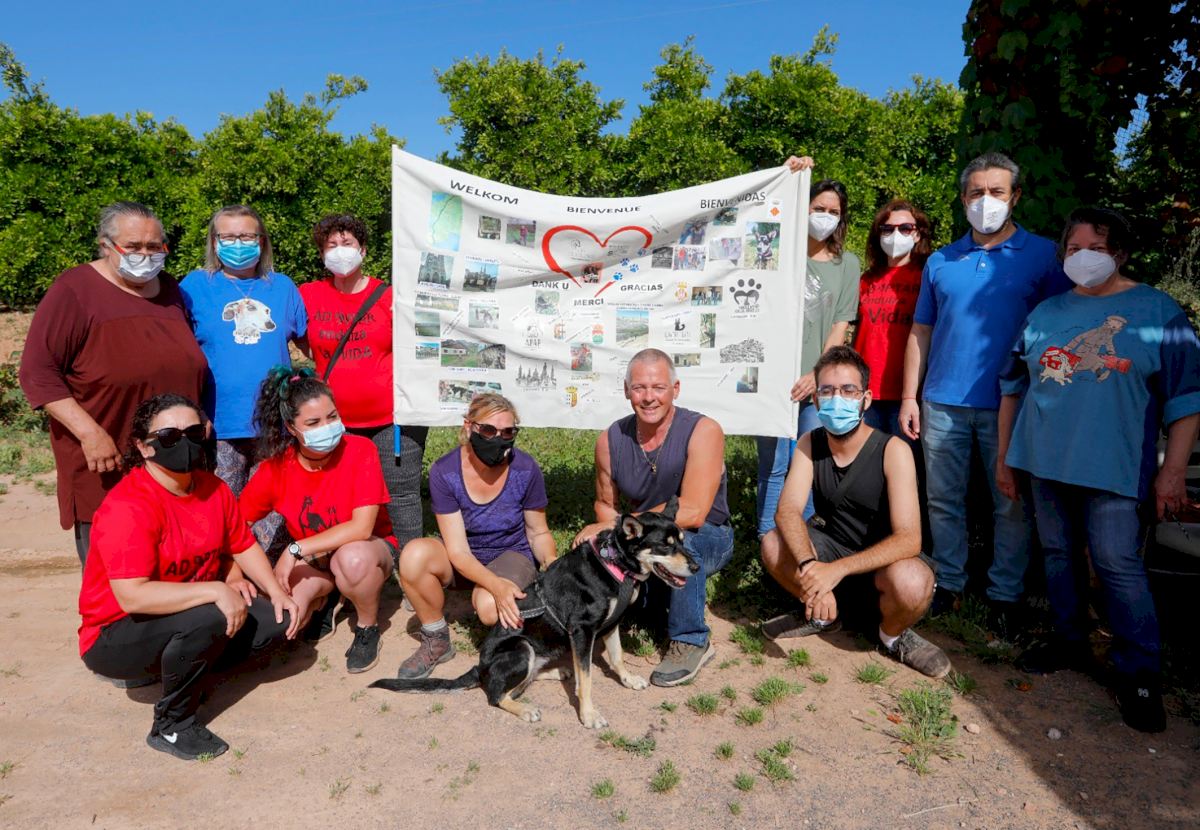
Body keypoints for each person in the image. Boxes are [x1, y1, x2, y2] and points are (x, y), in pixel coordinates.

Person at [997, 207, 1200, 732]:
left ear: (1121, 253)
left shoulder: (1159, 312)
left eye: (1097, 248)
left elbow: (1187, 399)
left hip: (1115, 467)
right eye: (1073, 248)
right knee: (1057, 554)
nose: (1083, 257)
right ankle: (1069, 641)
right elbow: (1013, 387)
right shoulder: (1045, 312)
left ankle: (1140, 672)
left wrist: (1173, 471)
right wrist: (1005, 458)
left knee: (1115, 562)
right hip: (1043, 461)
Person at [898, 151, 1071, 631]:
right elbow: (921, 331)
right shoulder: (941, 260)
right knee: (942, 501)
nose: (986, 201)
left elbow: (1062, 328)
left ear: (1015, 196)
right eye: (976, 192)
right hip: (941, 401)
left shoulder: (1044, 257)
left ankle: (1005, 596)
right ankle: (949, 584)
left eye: (997, 191)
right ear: (963, 199)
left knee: (1010, 503)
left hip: (1012, 405)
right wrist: (910, 396)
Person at [78, 393, 299, 761]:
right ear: (143, 446)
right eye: (168, 436)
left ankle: (185, 668)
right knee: (210, 615)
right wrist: (216, 589)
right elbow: (133, 596)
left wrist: (276, 591)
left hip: (181, 611)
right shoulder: (129, 506)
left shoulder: (214, 488)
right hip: (114, 633)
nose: (183, 443)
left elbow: (242, 544)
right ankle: (172, 724)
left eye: (193, 432)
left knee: (277, 621)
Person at [19, 202, 207, 565]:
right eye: (133, 246)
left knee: (173, 564)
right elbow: (38, 372)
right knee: (116, 571)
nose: (145, 255)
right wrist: (90, 433)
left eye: (154, 246)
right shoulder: (75, 290)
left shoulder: (171, 290)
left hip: (172, 460)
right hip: (108, 459)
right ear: (106, 245)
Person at [758, 347, 950, 677]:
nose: (837, 399)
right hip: (830, 555)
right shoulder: (809, 443)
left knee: (914, 581)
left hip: (882, 568)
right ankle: (824, 615)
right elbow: (787, 511)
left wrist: (837, 570)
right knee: (773, 544)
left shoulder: (893, 450)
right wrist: (811, 569)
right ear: (816, 400)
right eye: (827, 391)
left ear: (866, 399)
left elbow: (909, 539)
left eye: (848, 390)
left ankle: (892, 636)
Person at [575, 348, 733, 686]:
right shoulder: (609, 440)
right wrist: (611, 533)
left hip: (708, 535)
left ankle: (691, 640)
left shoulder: (704, 430)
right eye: (639, 388)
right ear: (626, 391)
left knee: (682, 541)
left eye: (659, 387)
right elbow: (605, 505)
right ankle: (590, 617)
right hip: (646, 538)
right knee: (596, 547)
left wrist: (615, 525)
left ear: (675, 389)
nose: (649, 397)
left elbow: (693, 511)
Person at [239, 367, 398, 674]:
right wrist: (234, 574)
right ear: (291, 427)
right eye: (313, 423)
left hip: (366, 550)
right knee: (286, 620)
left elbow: (362, 528)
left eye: (332, 417)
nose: (327, 427)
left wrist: (294, 550)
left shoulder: (361, 450)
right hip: (316, 560)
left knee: (352, 560)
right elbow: (236, 526)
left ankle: (367, 626)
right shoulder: (276, 467)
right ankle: (326, 597)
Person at [395, 393, 556, 679]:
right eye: (489, 430)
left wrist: (552, 564)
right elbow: (457, 551)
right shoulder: (445, 471)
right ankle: (436, 639)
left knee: (489, 607)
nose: (499, 439)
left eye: (508, 432)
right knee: (413, 556)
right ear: (469, 427)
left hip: (510, 553)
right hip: (464, 556)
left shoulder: (525, 468)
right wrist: (496, 585)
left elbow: (538, 531)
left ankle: (530, 631)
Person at [180, 205, 307, 550]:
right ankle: (223, 572)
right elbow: (177, 352)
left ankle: (267, 576)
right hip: (218, 422)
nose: (239, 244)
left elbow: (313, 346)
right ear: (214, 241)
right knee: (220, 506)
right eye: (229, 236)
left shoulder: (282, 287)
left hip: (274, 423)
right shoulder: (194, 287)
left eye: (247, 236)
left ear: (261, 241)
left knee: (271, 509)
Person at [300, 214, 428, 552]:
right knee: (347, 496)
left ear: (363, 250)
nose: (340, 251)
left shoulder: (390, 297)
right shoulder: (308, 294)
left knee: (401, 494)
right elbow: (299, 338)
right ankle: (357, 562)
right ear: (321, 254)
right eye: (331, 245)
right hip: (334, 422)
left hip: (393, 418)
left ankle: (411, 565)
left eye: (347, 243)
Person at [757, 163, 861, 540]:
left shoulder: (848, 264)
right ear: (804, 208)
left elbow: (839, 326)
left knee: (810, 462)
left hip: (818, 383)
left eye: (833, 211)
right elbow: (761, 215)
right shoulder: (777, 252)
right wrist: (789, 175)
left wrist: (816, 375)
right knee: (773, 465)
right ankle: (768, 538)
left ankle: (807, 538)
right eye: (818, 208)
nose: (825, 217)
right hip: (773, 380)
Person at [853, 199, 933, 444]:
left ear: (917, 234)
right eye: (887, 229)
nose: (896, 235)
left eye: (905, 228)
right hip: (866, 392)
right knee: (867, 461)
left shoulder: (927, 277)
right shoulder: (866, 279)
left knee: (904, 461)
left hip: (909, 395)